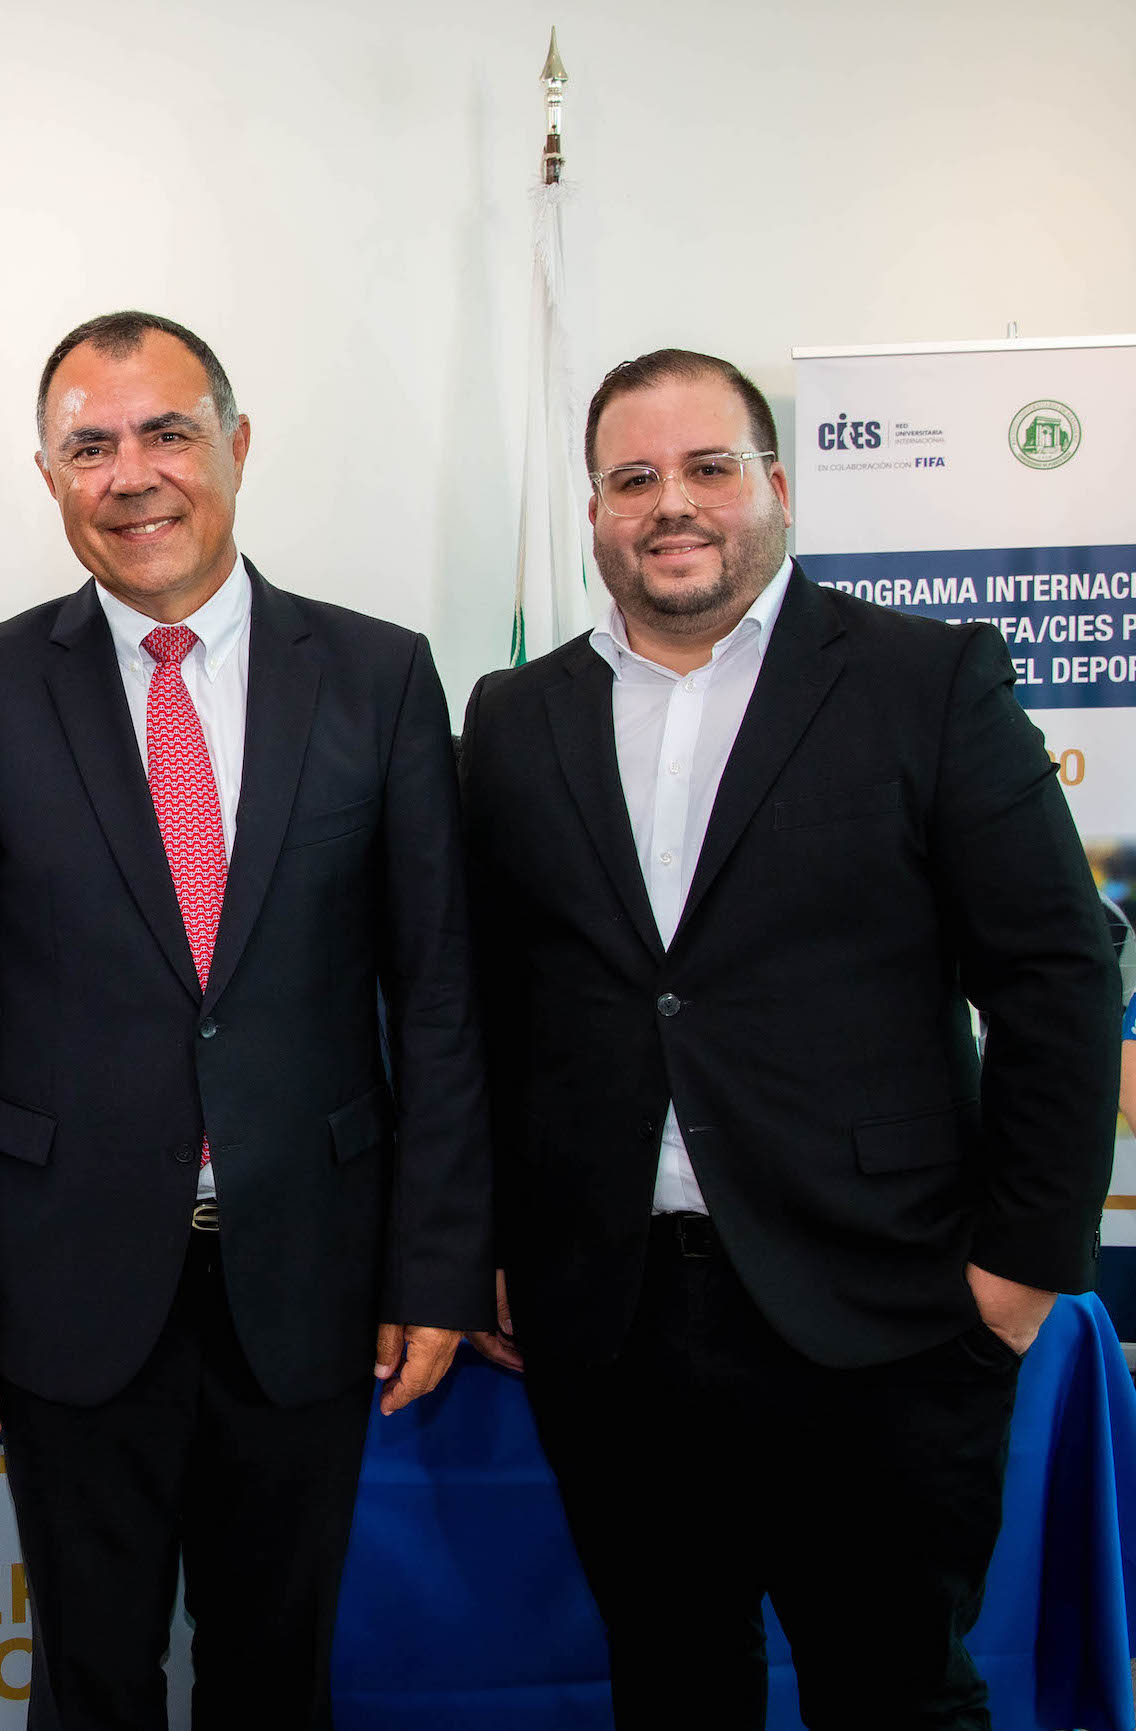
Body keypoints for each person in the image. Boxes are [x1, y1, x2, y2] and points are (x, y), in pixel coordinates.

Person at [460, 347, 1119, 1729]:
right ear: (594, 512)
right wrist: (498, 1248)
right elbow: (490, 1008)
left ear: (778, 486)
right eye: (632, 478)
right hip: (615, 1323)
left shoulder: (922, 680)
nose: (671, 505)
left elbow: (1059, 972)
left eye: (708, 468)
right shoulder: (515, 719)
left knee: (893, 1695)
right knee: (672, 1689)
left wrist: (1019, 1270)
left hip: (883, 1313)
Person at [0, 311, 492, 1727]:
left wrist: (437, 1269)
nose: (132, 475)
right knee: (93, 1681)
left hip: (312, 1278)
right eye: (88, 446)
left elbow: (442, 998)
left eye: (166, 432)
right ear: (49, 477)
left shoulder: (380, 676)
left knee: (276, 1676)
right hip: (66, 1283)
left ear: (236, 442)